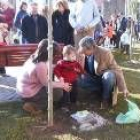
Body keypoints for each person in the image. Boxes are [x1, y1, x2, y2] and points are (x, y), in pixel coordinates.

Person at [16, 39, 71, 115]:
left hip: (23, 89)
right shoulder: (40, 65)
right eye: (55, 54)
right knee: (56, 94)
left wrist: (59, 66)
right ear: (50, 54)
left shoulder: (34, 57)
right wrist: (62, 84)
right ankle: (33, 105)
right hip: (29, 92)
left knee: (55, 91)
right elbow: (46, 83)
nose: (55, 56)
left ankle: (32, 101)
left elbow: (48, 66)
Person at [77, 36, 129, 108]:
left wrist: (124, 88)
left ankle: (105, 98)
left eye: (85, 51)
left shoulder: (105, 52)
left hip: (102, 78)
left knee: (109, 76)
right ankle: (100, 90)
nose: (83, 53)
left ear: (93, 47)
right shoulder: (80, 52)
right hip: (90, 78)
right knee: (76, 78)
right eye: (82, 51)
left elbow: (117, 70)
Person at [54, 45, 84, 110]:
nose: (75, 57)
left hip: (74, 80)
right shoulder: (61, 63)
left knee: (74, 91)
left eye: (75, 56)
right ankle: (64, 105)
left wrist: (82, 73)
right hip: (66, 82)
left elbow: (80, 68)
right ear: (66, 56)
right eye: (73, 56)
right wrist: (60, 77)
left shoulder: (75, 62)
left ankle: (73, 102)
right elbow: (56, 70)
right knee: (66, 94)